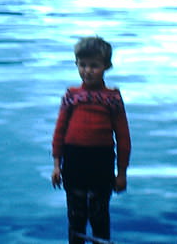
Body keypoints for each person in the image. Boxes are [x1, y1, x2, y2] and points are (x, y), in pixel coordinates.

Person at [51, 37, 131, 244]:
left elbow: (123, 137)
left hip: (102, 162)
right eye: (83, 65)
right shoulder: (71, 95)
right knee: (76, 216)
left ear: (106, 66)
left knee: (99, 215)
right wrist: (56, 165)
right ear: (76, 64)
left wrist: (121, 173)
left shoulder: (112, 98)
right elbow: (59, 130)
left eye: (94, 66)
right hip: (74, 160)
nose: (88, 71)